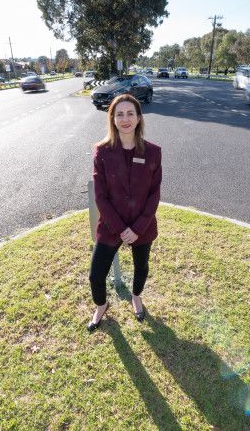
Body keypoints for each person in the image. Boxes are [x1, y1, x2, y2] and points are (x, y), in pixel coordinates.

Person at [88, 93, 162, 332]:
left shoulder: (153, 152)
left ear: (139, 118)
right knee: (95, 276)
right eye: (119, 114)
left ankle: (136, 296)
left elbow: (154, 194)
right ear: (112, 119)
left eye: (131, 113)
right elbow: (101, 197)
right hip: (111, 226)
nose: (125, 118)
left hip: (143, 226)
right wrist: (121, 229)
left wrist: (137, 228)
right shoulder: (102, 151)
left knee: (142, 268)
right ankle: (101, 305)